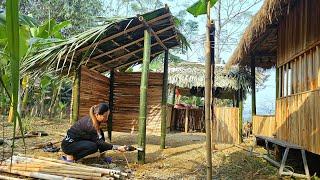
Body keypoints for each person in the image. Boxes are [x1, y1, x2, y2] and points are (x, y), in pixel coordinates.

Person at [61, 103, 126, 162]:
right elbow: (100, 143)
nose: (107, 118)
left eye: (108, 116)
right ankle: (71, 157)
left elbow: (100, 139)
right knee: (93, 147)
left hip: (78, 141)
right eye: (105, 116)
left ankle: (102, 157)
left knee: (101, 134)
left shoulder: (94, 119)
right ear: (97, 115)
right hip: (69, 146)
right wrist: (117, 147)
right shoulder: (90, 125)